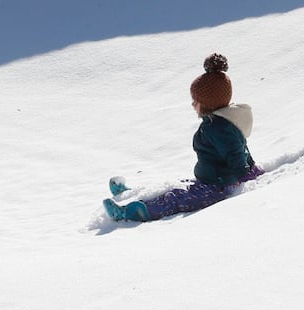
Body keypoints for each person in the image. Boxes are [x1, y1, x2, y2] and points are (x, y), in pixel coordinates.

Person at [104, 53, 263, 222]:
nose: (193, 104)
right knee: (175, 185)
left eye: (196, 101)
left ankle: (135, 212)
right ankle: (130, 194)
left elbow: (235, 153)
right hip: (212, 180)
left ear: (208, 103)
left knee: (177, 198)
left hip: (219, 188)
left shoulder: (218, 128)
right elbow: (237, 150)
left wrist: (245, 178)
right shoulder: (222, 122)